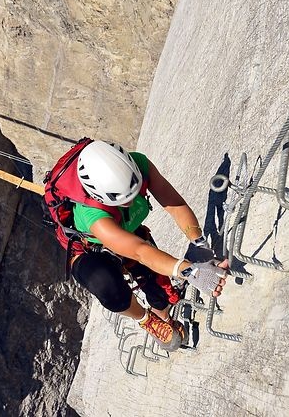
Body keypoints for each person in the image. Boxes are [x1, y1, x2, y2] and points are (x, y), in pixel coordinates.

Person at [70, 140, 228, 350]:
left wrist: (199, 243)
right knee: (107, 285)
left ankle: (161, 313)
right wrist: (191, 272)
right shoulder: (93, 214)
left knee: (162, 293)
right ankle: (146, 319)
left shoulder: (139, 165)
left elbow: (174, 204)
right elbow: (140, 252)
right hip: (92, 252)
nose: (134, 199)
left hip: (127, 232)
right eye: (125, 200)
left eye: (135, 192)